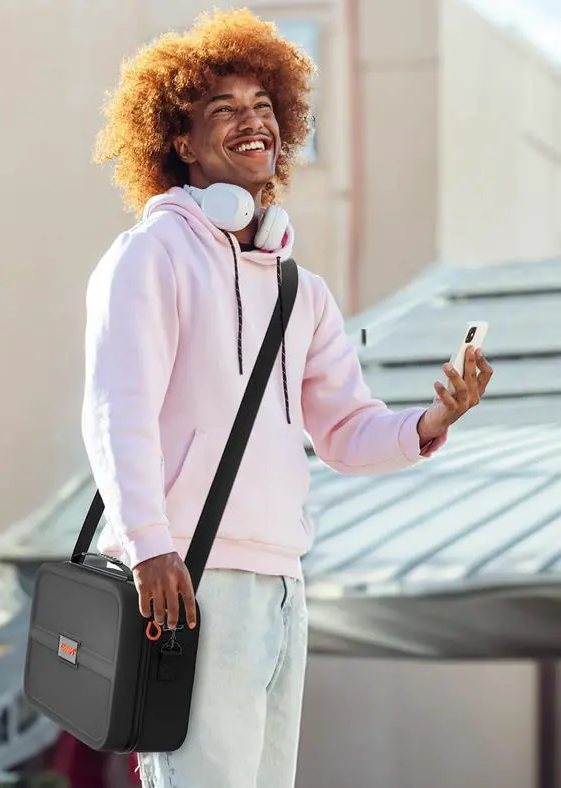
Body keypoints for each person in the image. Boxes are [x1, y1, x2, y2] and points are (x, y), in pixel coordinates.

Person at [82, 9, 493, 788]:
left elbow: (346, 430)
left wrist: (433, 419)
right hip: (188, 576)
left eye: (264, 105)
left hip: (282, 582)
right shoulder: (150, 255)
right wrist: (148, 544)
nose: (253, 122)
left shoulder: (301, 289)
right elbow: (116, 409)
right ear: (179, 140)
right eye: (225, 109)